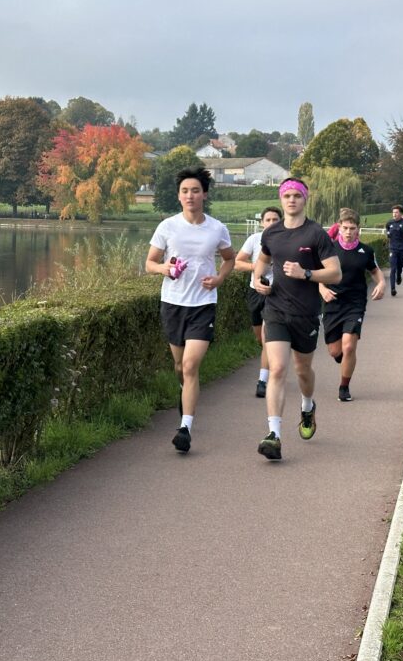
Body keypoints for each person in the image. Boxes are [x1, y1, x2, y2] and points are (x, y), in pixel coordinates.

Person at [146, 166, 236, 454]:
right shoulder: (168, 226)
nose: (190, 195)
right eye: (185, 191)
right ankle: (184, 395)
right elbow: (150, 263)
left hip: (203, 305)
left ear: (204, 195)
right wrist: (165, 268)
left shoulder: (217, 228)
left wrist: (219, 278)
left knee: (190, 365)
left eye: (195, 191)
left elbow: (229, 259)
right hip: (173, 303)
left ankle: (185, 427)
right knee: (179, 367)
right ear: (179, 196)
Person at [252, 178, 341, 461]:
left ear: (305, 199)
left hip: (306, 313)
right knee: (277, 369)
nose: (291, 200)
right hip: (275, 309)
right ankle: (274, 434)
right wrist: (257, 279)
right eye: (287, 196)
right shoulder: (272, 233)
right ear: (281, 199)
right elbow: (263, 260)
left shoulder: (316, 234)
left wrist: (307, 274)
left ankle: (307, 406)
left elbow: (335, 273)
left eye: (297, 196)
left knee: (302, 370)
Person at [320, 208, 385, 402]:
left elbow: (375, 271)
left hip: (355, 303)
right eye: (345, 228)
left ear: (359, 230)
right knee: (335, 351)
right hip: (332, 302)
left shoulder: (366, 251)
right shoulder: (328, 249)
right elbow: (317, 274)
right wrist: (322, 289)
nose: (349, 232)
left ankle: (344, 387)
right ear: (339, 228)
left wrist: (381, 283)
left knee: (349, 347)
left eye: (353, 228)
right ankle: (343, 359)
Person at [234, 206, 282, 398]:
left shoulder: (286, 241)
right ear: (262, 223)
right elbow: (237, 263)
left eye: (275, 220)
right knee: (261, 339)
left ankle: (262, 381)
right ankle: (273, 361)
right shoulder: (254, 240)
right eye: (268, 220)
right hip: (256, 291)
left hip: (276, 294)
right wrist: (258, 266)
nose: (271, 223)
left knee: (268, 336)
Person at [384, 205, 403, 296]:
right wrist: (389, 233)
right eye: (393, 212)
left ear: (401, 213)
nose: (394, 214)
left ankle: (399, 276)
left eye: (396, 212)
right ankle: (392, 289)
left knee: (399, 267)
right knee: (393, 268)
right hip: (393, 248)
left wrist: (402, 231)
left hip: (402, 248)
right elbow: (388, 232)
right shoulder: (389, 223)